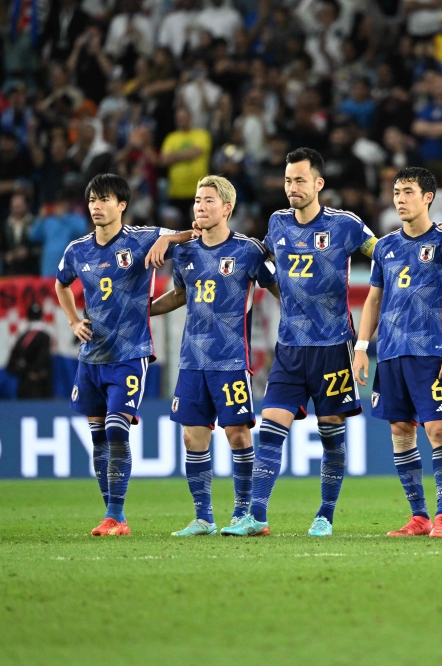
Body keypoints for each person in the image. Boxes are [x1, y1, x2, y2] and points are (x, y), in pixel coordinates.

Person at [222, 148, 377, 538]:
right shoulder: (277, 223)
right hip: (289, 348)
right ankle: (255, 515)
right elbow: (257, 260)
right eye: (288, 181)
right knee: (271, 428)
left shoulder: (346, 225)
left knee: (331, 434)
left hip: (333, 347)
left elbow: (385, 254)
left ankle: (325, 514)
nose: (292, 187)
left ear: (318, 184)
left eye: (300, 181)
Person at [53, 174, 194, 536]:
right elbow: (61, 283)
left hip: (130, 354)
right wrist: (72, 321)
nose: (96, 207)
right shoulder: (77, 250)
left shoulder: (141, 238)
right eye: (92, 201)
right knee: (99, 437)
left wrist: (167, 237)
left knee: (117, 431)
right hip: (91, 357)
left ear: (122, 205)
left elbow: (189, 234)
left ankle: (117, 516)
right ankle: (112, 515)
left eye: (104, 200)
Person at [150, 176, 278, 536]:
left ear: (227, 208)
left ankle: (242, 514)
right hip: (192, 360)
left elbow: (277, 286)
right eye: (196, 200)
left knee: (237, 435)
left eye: (207, 201)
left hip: (231, 360)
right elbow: (179, 295)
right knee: (193, 438)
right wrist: (145, 310)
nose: (199, 207)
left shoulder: (248, 251)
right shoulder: (186, 252)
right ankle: (204, 517)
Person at [353, 167, 442, 538]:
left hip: (430, 352)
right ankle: (418, 516)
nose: (399, 199)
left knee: (438, 429)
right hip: (389, 353)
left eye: (407, 192)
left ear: (427, 197)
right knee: (401, 430)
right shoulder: (385, 247)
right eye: (396, 192)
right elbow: (373, 300)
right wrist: (361, 348)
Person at [6, 302, 53, 399]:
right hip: (38, 385)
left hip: (28, 384)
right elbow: (43, 359)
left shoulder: (22, 337)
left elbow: (11, 365)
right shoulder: (45, 336)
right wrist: (32, 373)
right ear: (41, 316)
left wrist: (23, 371)